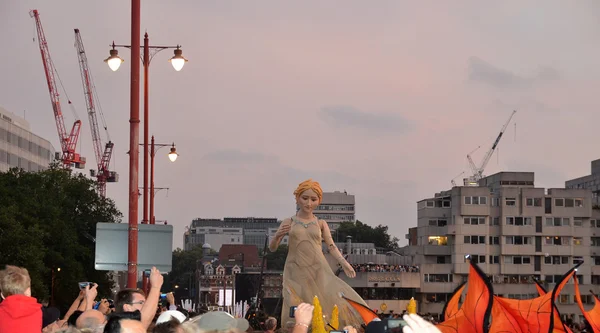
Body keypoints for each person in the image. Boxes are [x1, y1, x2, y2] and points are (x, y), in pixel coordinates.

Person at [270, 179, 368, 328]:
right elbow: (272, 248)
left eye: (313, 199)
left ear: (319, 201)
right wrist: (277, 236)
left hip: (318, 268)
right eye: (305, 198)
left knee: (326, 300)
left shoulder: (320, 223)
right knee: (296, 304)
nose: (309, 203)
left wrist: (345, 263)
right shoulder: (289, 221)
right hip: (294, 269)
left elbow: (331, 247)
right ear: (297, 198)